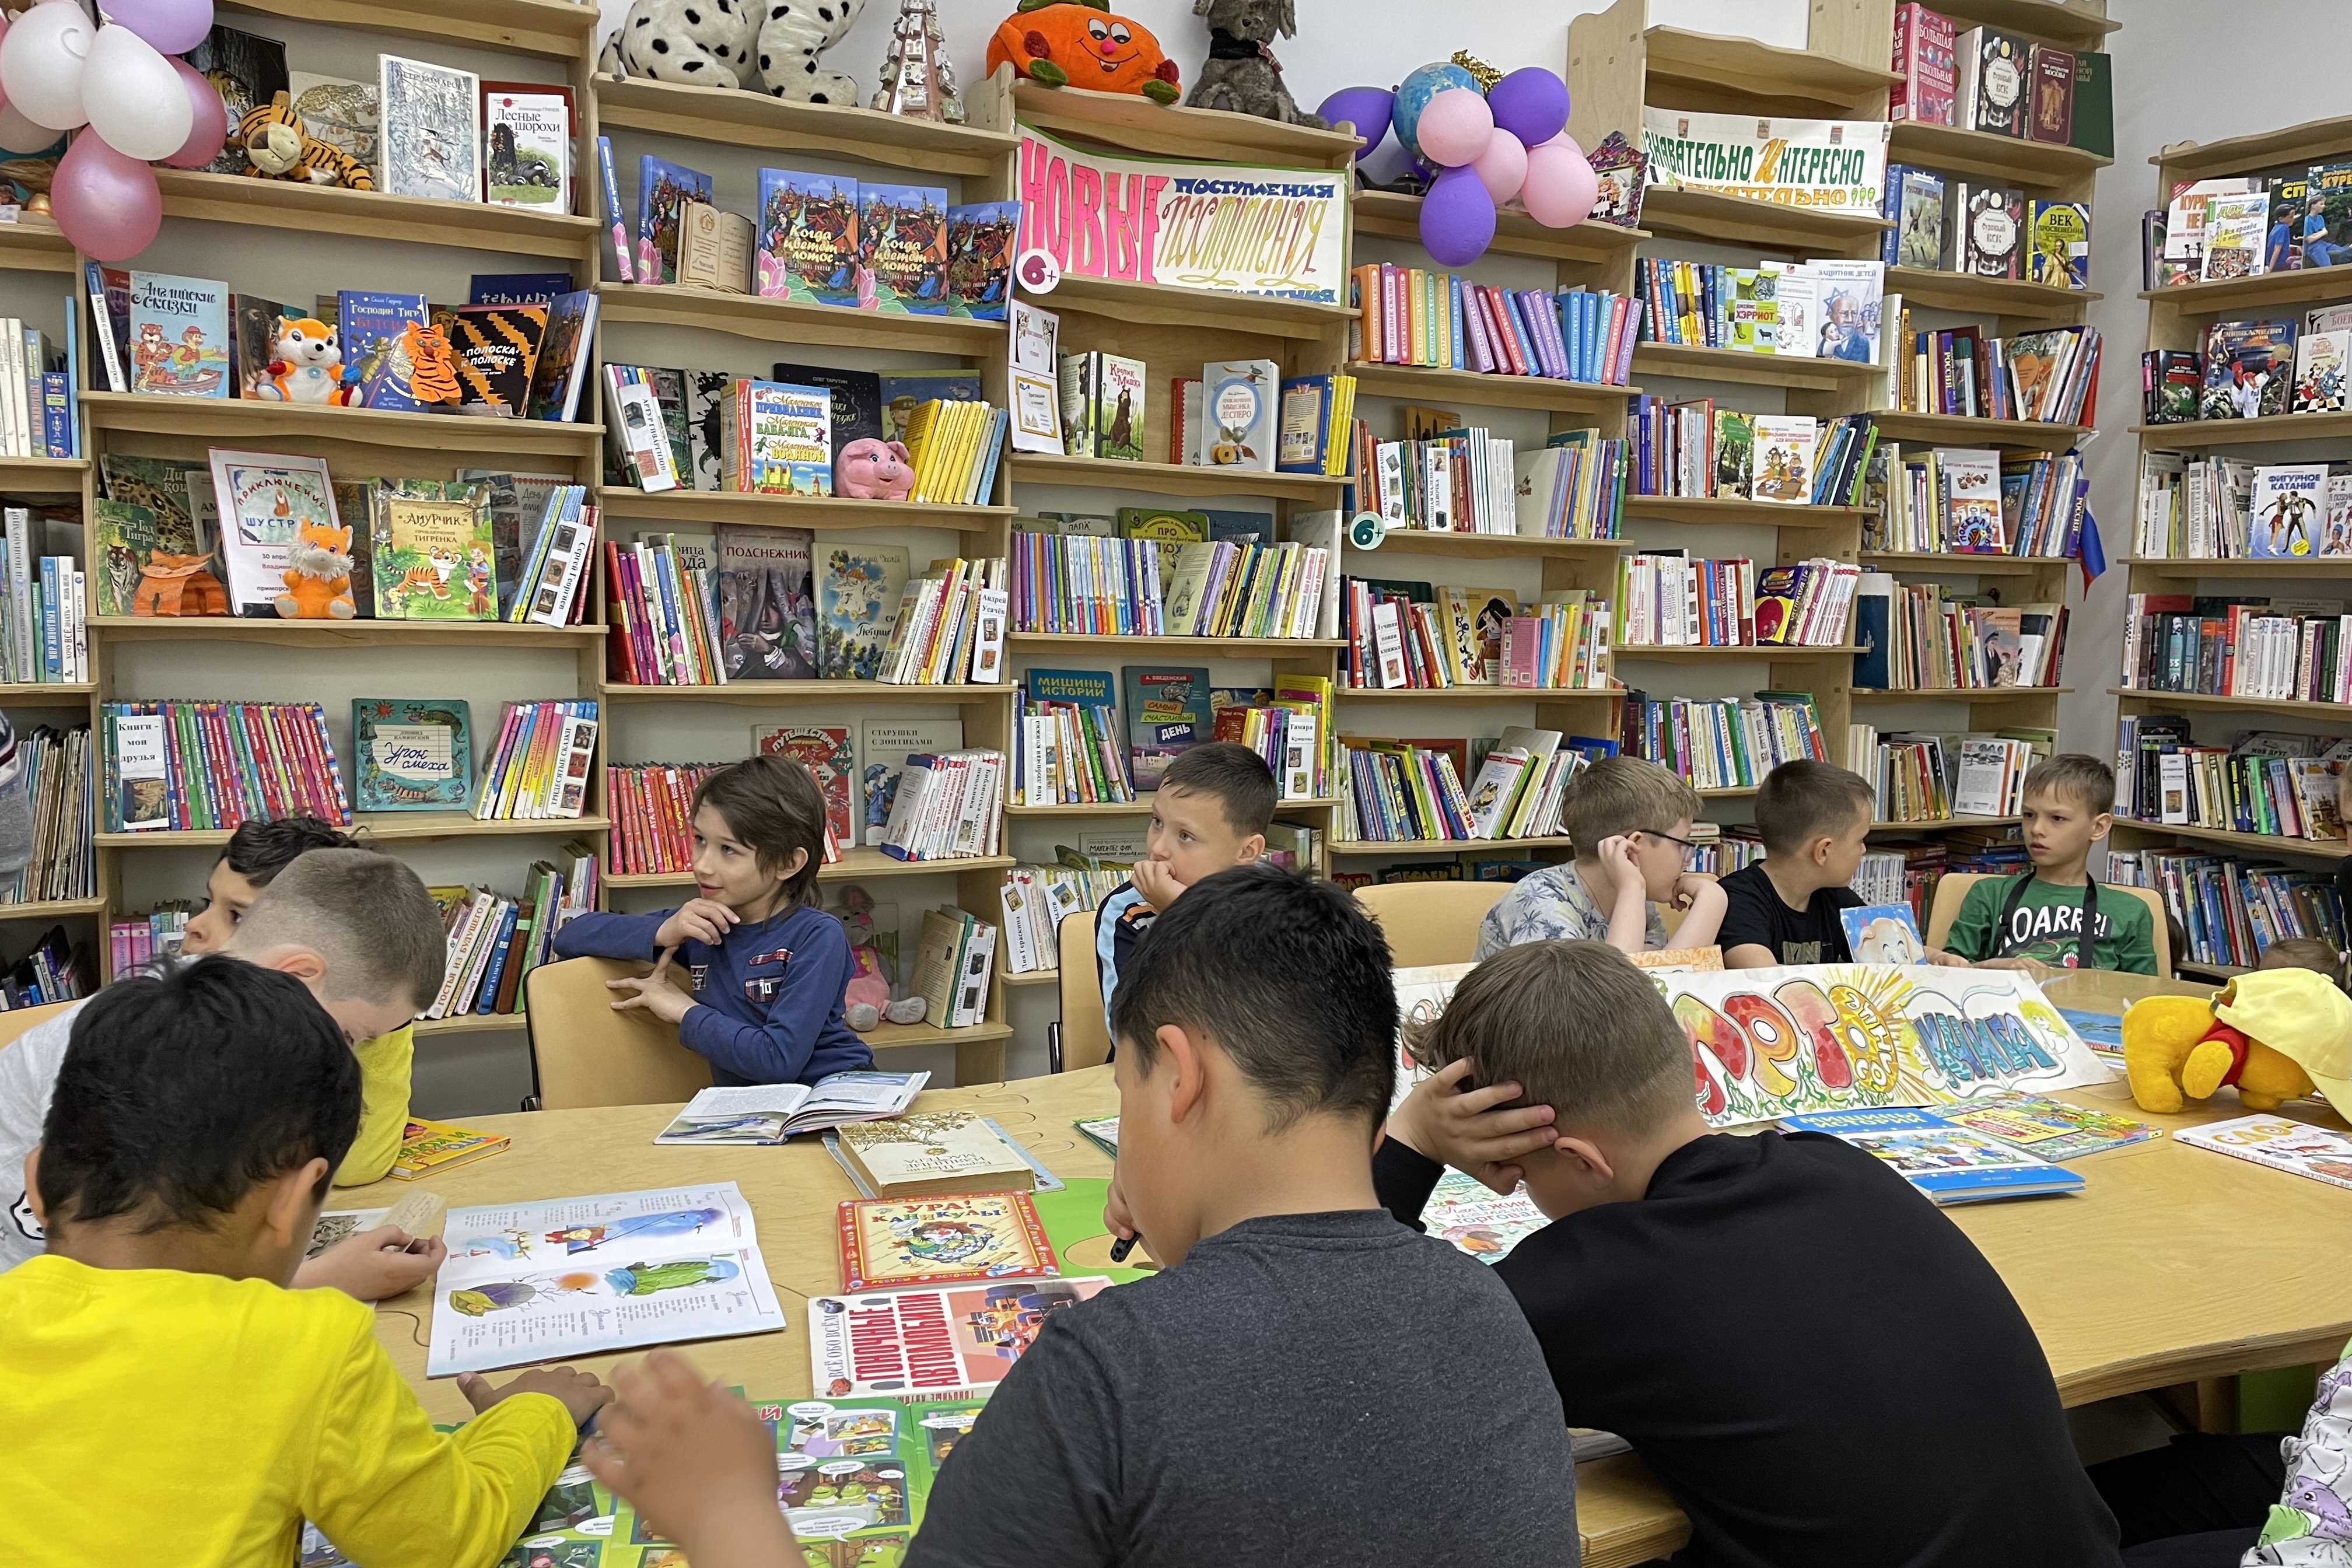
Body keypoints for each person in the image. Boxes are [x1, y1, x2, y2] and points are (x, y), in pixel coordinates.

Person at [580, 867, 1583, 1567]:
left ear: (1178, 1077)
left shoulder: (1104, 1373)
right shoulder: (1487, 1312)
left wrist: (726, 1514)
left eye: (1124, 1082)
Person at [1378, 939, 2125, 1568]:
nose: (1518, 1193)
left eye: (1520, 1176)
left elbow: (1356, 1334)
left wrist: (1414, 1139)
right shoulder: (1842, 1167)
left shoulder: (1597, 1280)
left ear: (1580, 1159)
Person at [0, 956, 610, 1564]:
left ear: (38, 1182)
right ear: (291, 1202)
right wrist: (540, 1411)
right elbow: (450, 1542)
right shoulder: (309, 1348)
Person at [0, 849, 446, 1303]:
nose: (348, 1058)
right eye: (350, 1035)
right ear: (298, 976)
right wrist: (318, 1282)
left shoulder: (229, 1026)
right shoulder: (152, 1045)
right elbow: (130, 1283)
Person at [554, 754, 869, 1087]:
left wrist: (682, 1010)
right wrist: (664, 930)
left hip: (836, 1093)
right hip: (754, 1105)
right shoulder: (700, 925)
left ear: (788, 863)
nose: (702, 865)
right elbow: (570, 937)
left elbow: (777, 1061)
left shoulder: (818, 935)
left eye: (729, 850)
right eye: (700, 840)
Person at [1092, 741, 1273, 1040]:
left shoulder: (1277, 906)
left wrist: (1185, 913)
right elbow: (1130, 1038)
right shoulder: (1128, 912)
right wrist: (1177, 918)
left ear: (1247, 851)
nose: (1158, 848)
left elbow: (1277, 1022)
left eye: (1186, 836)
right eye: (1157, 822)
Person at [1476, 755, 1726, 959]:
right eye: (1682, 845)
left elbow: (1665, 983)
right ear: (1633, 848)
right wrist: (1631, 888)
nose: (1688, 860)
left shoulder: (1640, 905)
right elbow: (1613, 996)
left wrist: (1712, 899)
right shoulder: (1539, 903)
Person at [1932, 754, 2158, 976]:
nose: (2037, 829)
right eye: (2029, 815)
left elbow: (2146, 994)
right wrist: (1995, 967)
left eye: (2057, 818)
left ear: (2098, 828)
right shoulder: (1989, 894)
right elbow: (1951, 972)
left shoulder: (2131, 912)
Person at [1717, 760, 1875, 968]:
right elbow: (1761, 977)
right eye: (1860, 840)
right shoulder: (1738, 900)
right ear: (1823, 851)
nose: (1863, 850)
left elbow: (1892, 958)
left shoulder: (1838, 899)